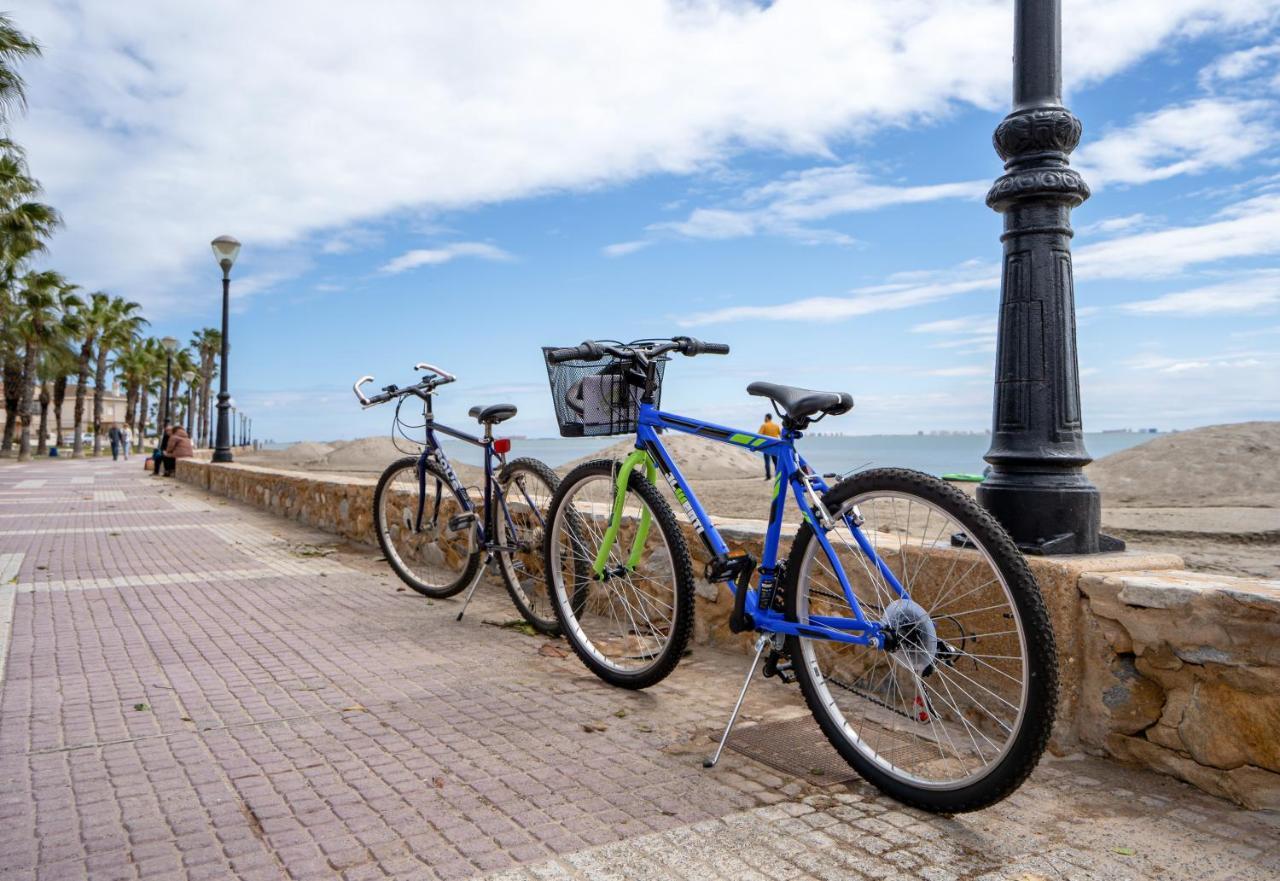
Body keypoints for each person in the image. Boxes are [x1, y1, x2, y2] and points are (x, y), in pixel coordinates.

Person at [758, 413, 782, 479]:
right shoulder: (776, 426)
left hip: (766, 446)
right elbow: (781, 436)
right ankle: (778, 476)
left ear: (767, 418)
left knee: (767, 462)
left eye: (765, 417)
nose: (764, 419)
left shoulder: (764, 425)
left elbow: (759, 435)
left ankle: (768, 476)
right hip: (775, 446)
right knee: (776, 462)